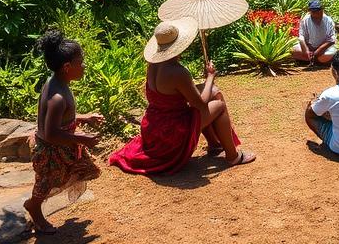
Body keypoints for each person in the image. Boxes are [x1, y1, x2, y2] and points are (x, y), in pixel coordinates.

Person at [110, 18, 256, 174]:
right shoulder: (177, 71)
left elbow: (171, 94)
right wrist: (210, 76)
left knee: (213, 91)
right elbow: (199, 104)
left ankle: (215, 145)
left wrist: (208, 85)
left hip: (153, 127)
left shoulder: (153, 64)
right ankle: (232, 156)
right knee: (218, 104)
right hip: (172, 132)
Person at [24, 30, 103, 235]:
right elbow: (50, 133)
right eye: (81, 62)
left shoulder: (57, 83)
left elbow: (61, 119)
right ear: (67, 67)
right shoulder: (57, 97)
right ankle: (34, 208)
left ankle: (36, 204)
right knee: (46, 183)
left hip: (62, 146)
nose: (84, 65)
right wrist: (82, 138)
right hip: (51, 151)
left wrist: (83, 117)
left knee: (71, 174)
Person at [292, 0, 336, 66]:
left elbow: (331, 40)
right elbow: (302, 37)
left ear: (322, 10)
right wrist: (306, 50)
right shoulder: (305, 20)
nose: (317, 13)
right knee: (293, 50)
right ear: (310, 11)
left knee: (331, 53)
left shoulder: (328, 20)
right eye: (314, 11)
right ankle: (315, 60)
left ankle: (309, 60)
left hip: (324, 50)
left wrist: (317, 51)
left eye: (319, 10)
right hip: (310, 47)